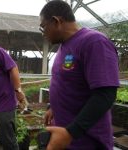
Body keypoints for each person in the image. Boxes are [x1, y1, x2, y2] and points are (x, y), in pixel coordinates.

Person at [40, 1, 119, 150]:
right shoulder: (64, 46)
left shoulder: (94, 42)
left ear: (57, 21)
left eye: (43, 27)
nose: (43, 33)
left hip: (86, 141)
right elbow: (65, 82)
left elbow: (105, 94)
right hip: (67, 137)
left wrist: (70, 132)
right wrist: (52, 107)